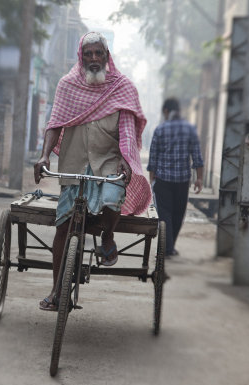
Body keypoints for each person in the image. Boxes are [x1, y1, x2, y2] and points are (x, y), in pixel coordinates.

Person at [34, 32, 151, 311]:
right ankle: (56, 292)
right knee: (63, 225)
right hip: (74, 164)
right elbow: (55, 124)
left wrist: (127, 160)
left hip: (109, 162)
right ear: (81, 56)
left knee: (113, 198)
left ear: (107, 56)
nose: (95, 58)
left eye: (99, 53)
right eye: (89, 54)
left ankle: (107, 235)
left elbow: (126, 132)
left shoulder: (121, 87)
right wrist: (43, 155)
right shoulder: (67, 85)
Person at [147, 97, 204, 258]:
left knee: (164, 213)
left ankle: (167, 247)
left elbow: (153, 157)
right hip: (182, 180)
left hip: (163, 179)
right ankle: (169, 247)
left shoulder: (160, 129)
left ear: (166, 111)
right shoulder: (189, 129)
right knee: (178, 213)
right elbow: (197, 156)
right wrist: (199, 178)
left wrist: (152, 178)